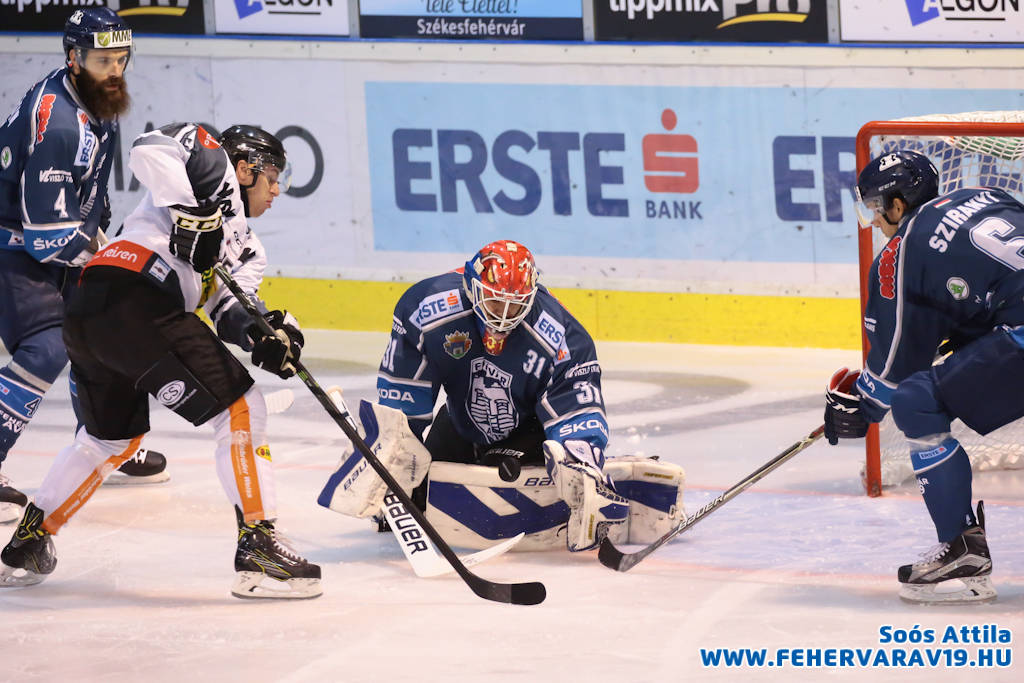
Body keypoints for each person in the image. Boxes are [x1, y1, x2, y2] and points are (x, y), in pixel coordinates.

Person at [0, 121, 321, 600]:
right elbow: (149, 148)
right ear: (243, 168)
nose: (277, 190)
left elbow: (228, 308)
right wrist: (197, 212)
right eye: (272, 177)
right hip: (135, 295)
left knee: (109, 439)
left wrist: (264, 335)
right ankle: (259, 546)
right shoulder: (209, 168)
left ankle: (29, 542)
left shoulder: (249, 248)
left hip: (93, 313)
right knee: (241, 408)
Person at [823, 149, 1024, 604]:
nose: (875, 220)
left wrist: (860, 405)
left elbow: (894, 370)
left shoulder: (903, 250)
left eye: (876, 208)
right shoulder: (986, 194)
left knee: (917, 401)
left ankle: (960, 547)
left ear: (898, 205)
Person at [0, 8, 167, 525]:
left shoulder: (95, 96)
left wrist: (101, 237)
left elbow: (88, 191)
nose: (115, 70)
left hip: (46, 236)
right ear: (73, 58)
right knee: (47, 348)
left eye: (122, 58)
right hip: (14, 244)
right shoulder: (58, 125)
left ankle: (105, 437)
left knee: (106, 325)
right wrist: (115, 260)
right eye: (102, 60)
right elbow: (46, 237)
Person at [376, 240, 628, 551]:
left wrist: (581, 465)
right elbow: (404, 392)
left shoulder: (563, 335)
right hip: (461, 420)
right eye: (495, 301)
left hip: (528, 429)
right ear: (472, 286)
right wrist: (393, 448)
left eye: (516, 304)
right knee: (420, 487)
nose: (505, 315)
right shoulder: (425, 308)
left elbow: (576, 410)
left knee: (495, 477)